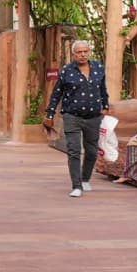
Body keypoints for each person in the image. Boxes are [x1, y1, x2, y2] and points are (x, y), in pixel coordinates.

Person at [43, 39, 109, 197]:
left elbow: (102, 88)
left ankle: (85, 179)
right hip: (71, 116)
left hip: (94, 116)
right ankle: (77, 186)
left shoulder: (98, 67)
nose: (83, 54)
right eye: (79, 52)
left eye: (85, 51)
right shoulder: (67, 70)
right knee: (74, 150)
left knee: (92, 151)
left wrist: (106, 106)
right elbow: (56, 93)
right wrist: (50, 114)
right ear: (73, 54)